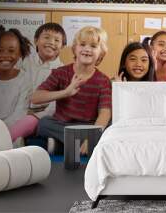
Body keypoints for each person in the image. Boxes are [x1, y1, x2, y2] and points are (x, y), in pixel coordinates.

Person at [31, 26, 111, 154]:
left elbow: (104, 113)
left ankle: (63, 145)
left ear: (101, 53)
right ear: (74, 48)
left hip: (88, 127)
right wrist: (66, 92)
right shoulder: (60, 73)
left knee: (109, 126)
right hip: (62, 125)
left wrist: (92, 136)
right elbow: (35, 98)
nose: (87, 49)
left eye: (93, 46)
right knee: (44, 123)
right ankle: (76, 145)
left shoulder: (103, 81)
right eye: (82, 44)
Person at [9, 23, 67, 144]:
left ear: (62, 47)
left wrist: (39, 115)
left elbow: (57, 103)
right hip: (19, 109)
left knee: (34, 124)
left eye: (57, 40)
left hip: (42, 115)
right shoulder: (24, 62)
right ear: (36, 41)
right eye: (46, 37)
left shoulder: (63, 71)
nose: (51, 42)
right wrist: (22, 111)